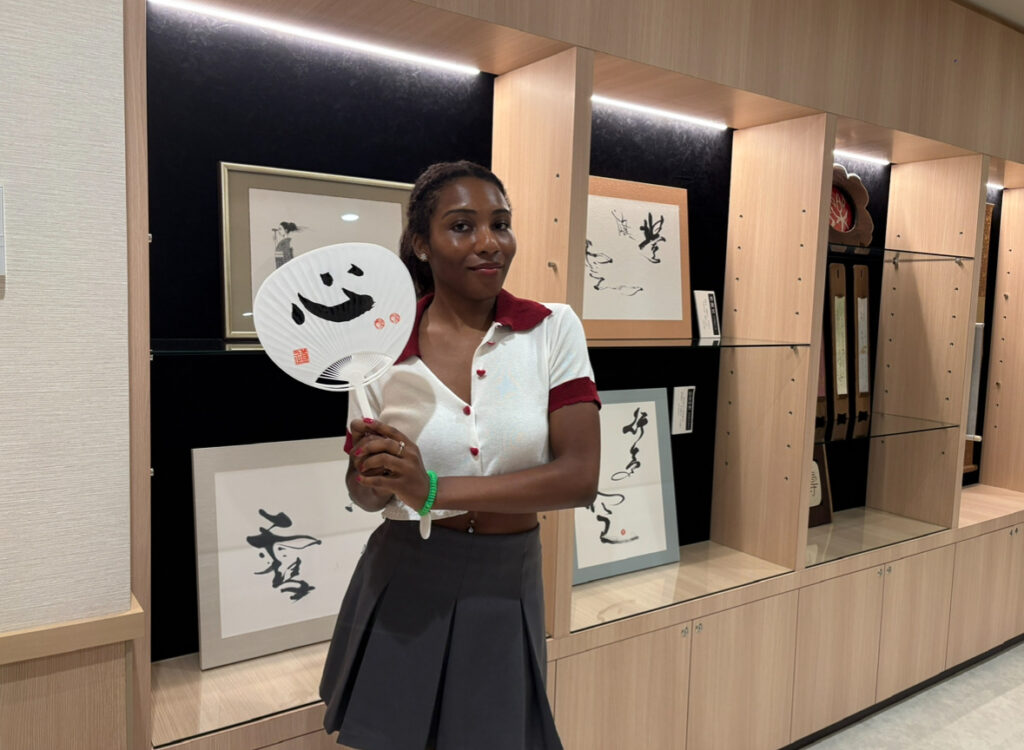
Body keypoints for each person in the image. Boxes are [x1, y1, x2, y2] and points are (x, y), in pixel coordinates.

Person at [319, 160, 601, 750]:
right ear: (421, 243)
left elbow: (578, 478)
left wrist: (430, 490)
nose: (489, 243)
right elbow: (366, 496)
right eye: (463, 226)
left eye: (500, 224)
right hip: (405, 575)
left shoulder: (552, 330)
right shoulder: (379, 351)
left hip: (508, 577)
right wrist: (373, 475)